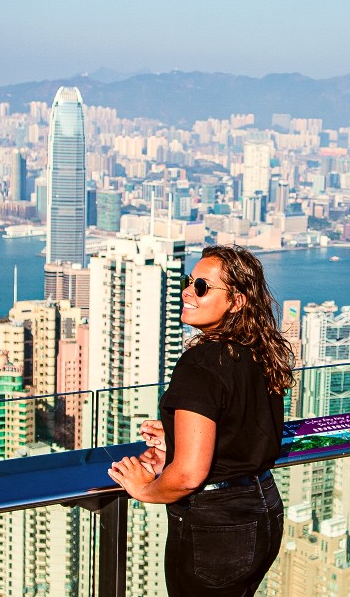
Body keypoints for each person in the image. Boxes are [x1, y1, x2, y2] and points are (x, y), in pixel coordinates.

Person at [108, 245, 294, 596]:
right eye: (188, 281)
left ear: (236, 301)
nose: (187, 292)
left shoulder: (201, 363)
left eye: (202, 287)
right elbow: (246, 427)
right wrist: (179, 435)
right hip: (264, 508)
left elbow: (188, 475)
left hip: (217, 526)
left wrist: (144, 489)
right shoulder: (256, 351)